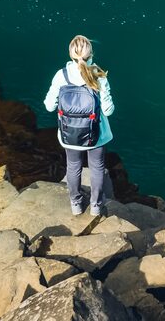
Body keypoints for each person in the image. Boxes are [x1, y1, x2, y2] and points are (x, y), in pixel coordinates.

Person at [43, 34, 114, 216]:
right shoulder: (98, 74)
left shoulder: (62, 75)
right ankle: (96, 207)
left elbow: (49, 106)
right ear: (92, 54)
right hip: (96, 136)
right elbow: (108, 111)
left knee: (73, 166)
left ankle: (76, 205)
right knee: (96, 167)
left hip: (69, 134)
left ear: (70, 55)